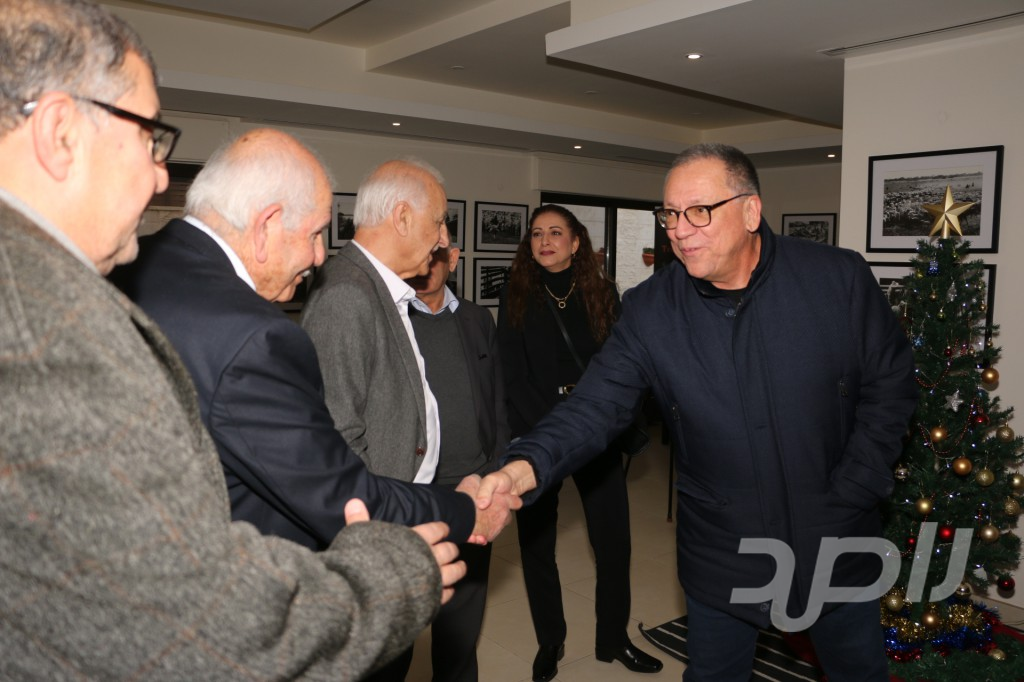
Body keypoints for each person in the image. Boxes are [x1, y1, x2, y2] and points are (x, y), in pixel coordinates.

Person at [0, 1, 466, 679]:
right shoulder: (45, 324)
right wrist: (395, 570)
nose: (162, 175)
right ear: (61, 133)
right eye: (150, 138)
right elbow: (196, 621)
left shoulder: (123, 273)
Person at [477, 144, 918, 682]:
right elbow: (595, 405)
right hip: (721, 547)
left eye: (699, 212)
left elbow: (891, 383)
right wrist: (520, 469)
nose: (679, 231)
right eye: (670, 215)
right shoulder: (652, 308)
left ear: (751, 211)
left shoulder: (836, 279)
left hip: (835, 537)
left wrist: (858, 482)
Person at [113, 128, 517, 552]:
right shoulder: (252, 336)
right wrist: (464, 510)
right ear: (267, 225)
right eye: (314, 235)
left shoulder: (132, 266)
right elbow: (337, 490)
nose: (320, 256)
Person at [301, 157, 458, 681]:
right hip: (374, 528)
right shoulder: (348, 294)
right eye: (438, 221)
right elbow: (338, 441)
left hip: (395, 512)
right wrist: (383, 542)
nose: (443, 239)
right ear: (403, 216)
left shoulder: (379, 287)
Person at [497, 205, 662, 681]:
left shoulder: (602, 292)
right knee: (537, 544)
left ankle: (613, 638)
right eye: (536, 234)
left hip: (597, 429)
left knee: (614, 543)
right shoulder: (516, 294)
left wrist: (594, 424)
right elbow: (512, 374)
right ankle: (550, 641)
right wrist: (552, 430)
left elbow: (623, 364)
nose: (544, 241)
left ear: (575, 243)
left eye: (555, 233)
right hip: (539, 431)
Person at [406, 241, 511, 681]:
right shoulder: (391, 317)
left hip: (472, 488)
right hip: (410, 491)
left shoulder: (476, 319)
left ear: (454, 258)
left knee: (461, 625)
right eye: (420, 253)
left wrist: (496, 468)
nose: (427, 264)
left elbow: (496, 398)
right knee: (401, 619)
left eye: (438, 254)